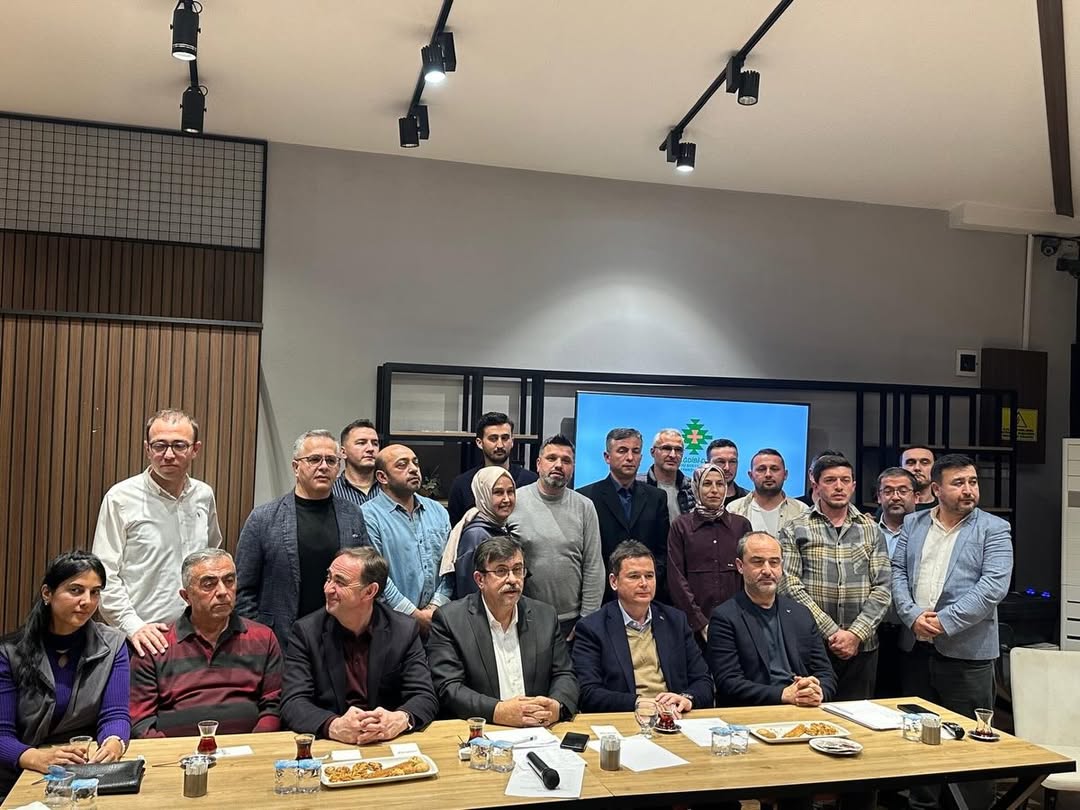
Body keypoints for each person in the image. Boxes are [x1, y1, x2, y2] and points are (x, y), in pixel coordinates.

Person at [892, 454, 1012, 810]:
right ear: (936, 489)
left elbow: (993, 587)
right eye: (958, 483)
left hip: (967, 654)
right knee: (919, 737)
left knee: (971, 743)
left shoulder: (994, 528)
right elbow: (897, 572)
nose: (968, 489)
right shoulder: (913, 523)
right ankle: (922, 805)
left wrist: (944, 621)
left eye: (972, 482)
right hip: (916, 649)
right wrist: (912, 615)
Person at [93, 408, 223, 656]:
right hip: (140, 640)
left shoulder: (204, 495)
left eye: (179, 445)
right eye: (160, 445)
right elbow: (103, 575)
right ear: (147, 449)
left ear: (195, 449)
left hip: (197, 637)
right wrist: (133, 626)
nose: (168, 455)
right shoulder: (120, 498)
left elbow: (211, 560)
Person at [0, 551, 130, 798]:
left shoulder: (113, 645)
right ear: (47, 594)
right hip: (20, 773)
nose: (87, 601)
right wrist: (37, 757)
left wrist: (114, 743)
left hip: (85, 771)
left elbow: (115, 714)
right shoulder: (9, 652)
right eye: (75, 590)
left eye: (95, 592)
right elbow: (2, 735)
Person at [280, 547, 438, 743]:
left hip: (387, 742)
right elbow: (292, 702)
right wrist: (333, 726)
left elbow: (424, 696)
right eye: (329, 578)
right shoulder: (306, 632)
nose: (328, 589)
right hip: (331, 743)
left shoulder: (403, 630)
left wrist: (400, 719)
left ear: (369, 591)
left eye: (340, 582)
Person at [235, 430, 370, 650]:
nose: (323, 466)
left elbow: (366, 574)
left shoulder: (352, 514)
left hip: (341, 638)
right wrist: (257, 637)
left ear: (338, 468)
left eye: (331, 461)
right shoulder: (263, 518)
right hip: (280, 641)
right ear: (296, 467)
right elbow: (243, 590)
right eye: (314, 459)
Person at [129, 550, 282, 737]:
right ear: (186, 596)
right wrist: (173, 751)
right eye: (209, 584)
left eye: (229, 581)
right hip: (176, 750)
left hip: (248, 748)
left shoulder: (263, 638)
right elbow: (141, 721)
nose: (223, 592)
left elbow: (273, 707)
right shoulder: (156, 644)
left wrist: (255, 745)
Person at [427, 537, 579, 725]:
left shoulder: (545, 616)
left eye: (518, 570)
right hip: (483, 730)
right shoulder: (450, 620)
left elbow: (565, 674)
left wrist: (556, 706)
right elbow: (448, 687)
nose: (513, 580)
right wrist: (498, 711)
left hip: (541, 729)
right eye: (501, 571)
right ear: (480, 579)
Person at [778, 455, 891, 700]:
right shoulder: (794, 528)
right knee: (809, 711)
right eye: (830, 480)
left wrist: (856, 634)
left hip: (862, 646)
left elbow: (883, 587)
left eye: (845, 480)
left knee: (858, 715)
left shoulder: (871, 530)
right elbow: (789, 586)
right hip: (812, 645)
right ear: (816, 486)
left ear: (853, 485)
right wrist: (831, 632)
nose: (839, 486)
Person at [573, 541, 713, 713]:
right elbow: (588, 693)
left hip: (673, 716)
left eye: (649, 576)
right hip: (626, 717)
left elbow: (703, 680)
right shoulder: (592, 628)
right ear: (614, 581)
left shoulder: (675, 621)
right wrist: (636, 703)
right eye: (634, 576)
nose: (644, 583)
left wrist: (687, 698)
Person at [707, 532, 836, 706]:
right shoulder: (725, 617)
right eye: (757, 562)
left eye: (774, 562)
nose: (767, 570)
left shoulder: (801, 613)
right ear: (740, 566)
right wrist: (783, 694)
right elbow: (728, 682)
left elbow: (826, 674)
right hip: (755, 711)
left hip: (803, 707)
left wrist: (817, 691)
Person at [512, 435, 604, 640]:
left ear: (573, 468)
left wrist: (587, 619)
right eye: (551, 458)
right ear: (538, 464)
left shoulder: (585, 506)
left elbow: (593, 566)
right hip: (524, 619)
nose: (559, 465)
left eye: (566, 460)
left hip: (572, 623)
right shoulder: (515, 501)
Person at [361, 445, 452, 635]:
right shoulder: (368, 515)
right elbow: (375, 575)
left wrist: (435, 608)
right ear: (382, 477)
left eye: (415, 463)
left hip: (438, 621)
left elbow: (449, 566)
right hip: (391, 625)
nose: (413, 469)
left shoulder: (438, 511)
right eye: (402, 465)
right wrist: (414, 615)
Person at [579, 428, 670, 601]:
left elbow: (662, 550)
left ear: (641, 457)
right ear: (607, 457)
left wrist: (646, 580)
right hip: (602, 595)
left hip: (646, 593)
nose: (629, 457)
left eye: (635, 451)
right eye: (622, 451)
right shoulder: (586, 497)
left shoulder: (657, 497)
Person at [667, 463, 752, 644]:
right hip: (692, 628)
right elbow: (676, 578)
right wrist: (700, 623)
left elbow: (748, 576)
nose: (714, 490)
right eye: (707, 484)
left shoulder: (741, 525)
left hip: (737, 624)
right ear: (696, 487)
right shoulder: (681, 526)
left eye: (720, 484)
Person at [447, 412, 538, 525]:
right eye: (493, 439)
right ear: (480, 443)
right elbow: (455, 529)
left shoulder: (530, 481)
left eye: (505, 438)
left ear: (512, 442)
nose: (500, 445)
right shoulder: (463, 484)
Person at [440, 467, 518, 599]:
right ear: (483, 495)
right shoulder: (476, 536)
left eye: (510, 492)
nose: (506, 499)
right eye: (498, 493)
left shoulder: (500, 527)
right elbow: (471, 595)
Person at [874, 467, 917, 699]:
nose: (896, 496)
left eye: (902, 490)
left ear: (916, 496)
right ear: (879, 497)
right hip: (872, 629)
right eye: (888, 491)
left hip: (912, 632)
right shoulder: (865, 530)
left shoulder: (927, 531)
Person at [727, 448, 809, 536]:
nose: (768, 474)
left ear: (785, 474)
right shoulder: (734, 509)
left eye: (774, 469)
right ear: (751, 475)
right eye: (761, 469)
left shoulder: (801, 510)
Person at [639, 429, 695, 517]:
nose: (673, 455)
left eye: (678, 450)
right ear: (652, 452)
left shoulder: (693, 487)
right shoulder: (636, 485)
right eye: (666, 448)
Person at [332, 419, 382, 507]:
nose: (370, 449)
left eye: (375, 444)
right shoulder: (330, 491)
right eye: (361, 443)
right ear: (343, 452)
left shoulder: (390, 489)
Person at [706, 438, 749, 505]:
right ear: (707, 465)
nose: (727, 468)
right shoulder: (693, 498)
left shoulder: (748, 499)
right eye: (720, 462)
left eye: (732, 462)